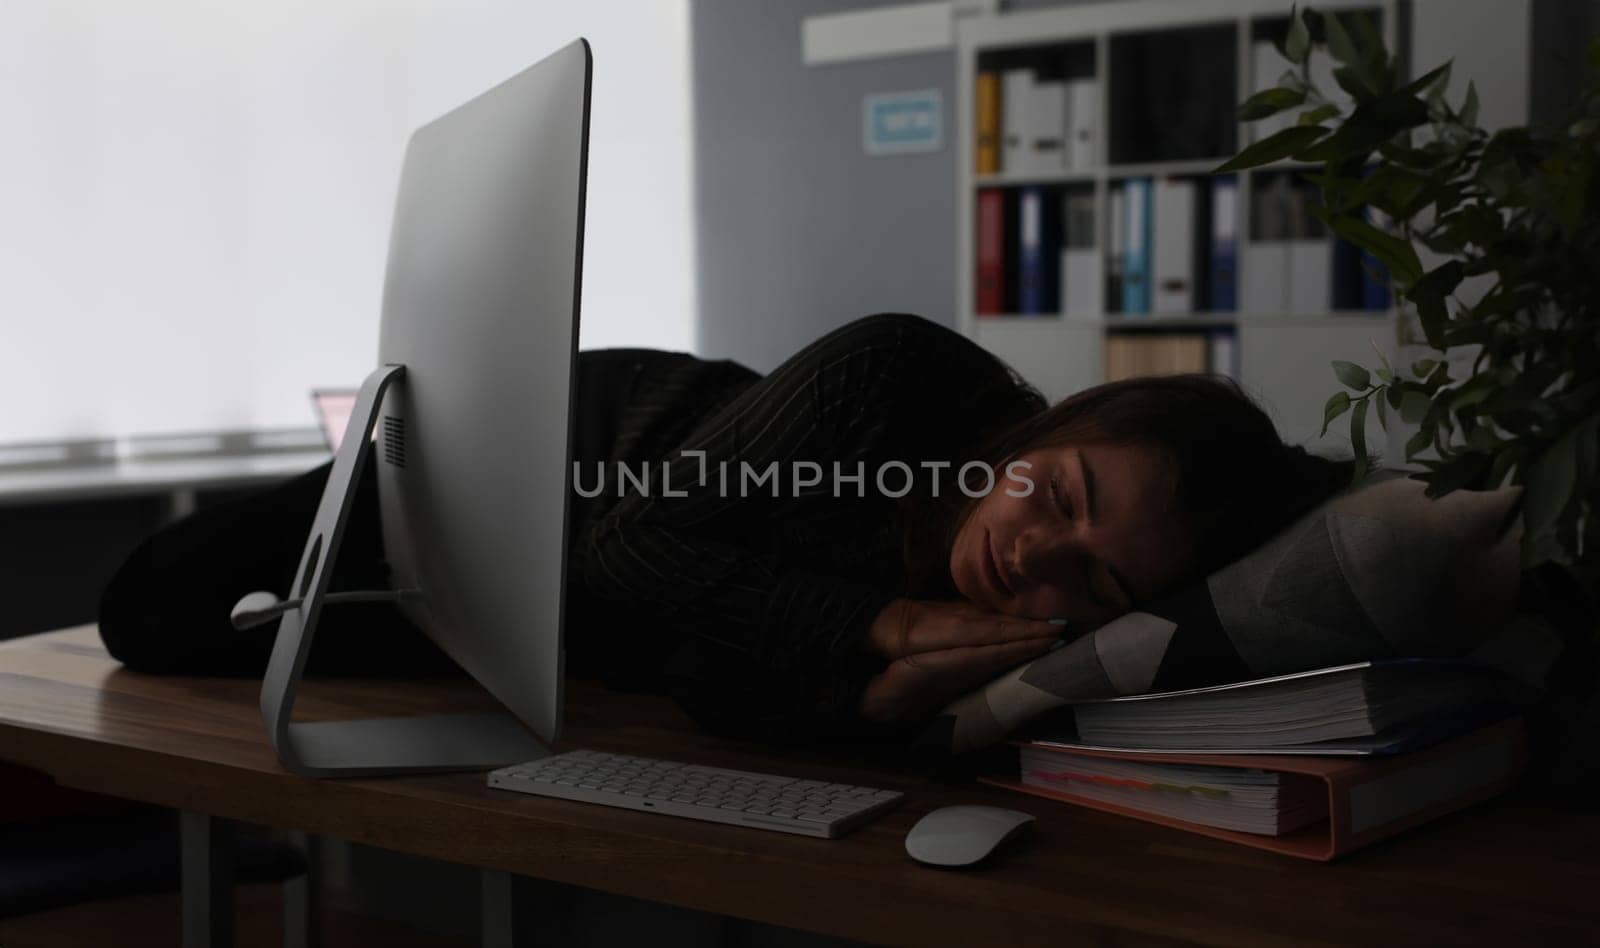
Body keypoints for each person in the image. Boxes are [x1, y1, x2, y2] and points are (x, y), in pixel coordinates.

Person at [98, 313, 1349, 744]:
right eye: (1058, 496)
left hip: (557, 621)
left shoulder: (1030, 634)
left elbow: (697, 668)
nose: (1037, 556)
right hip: (554, 452)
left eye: (1093, 582)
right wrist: (883, 624)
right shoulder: (898, 373)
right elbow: (631, 550)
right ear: (1043, 434)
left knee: (304, 663)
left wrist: (869, 704)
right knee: (153, 607)